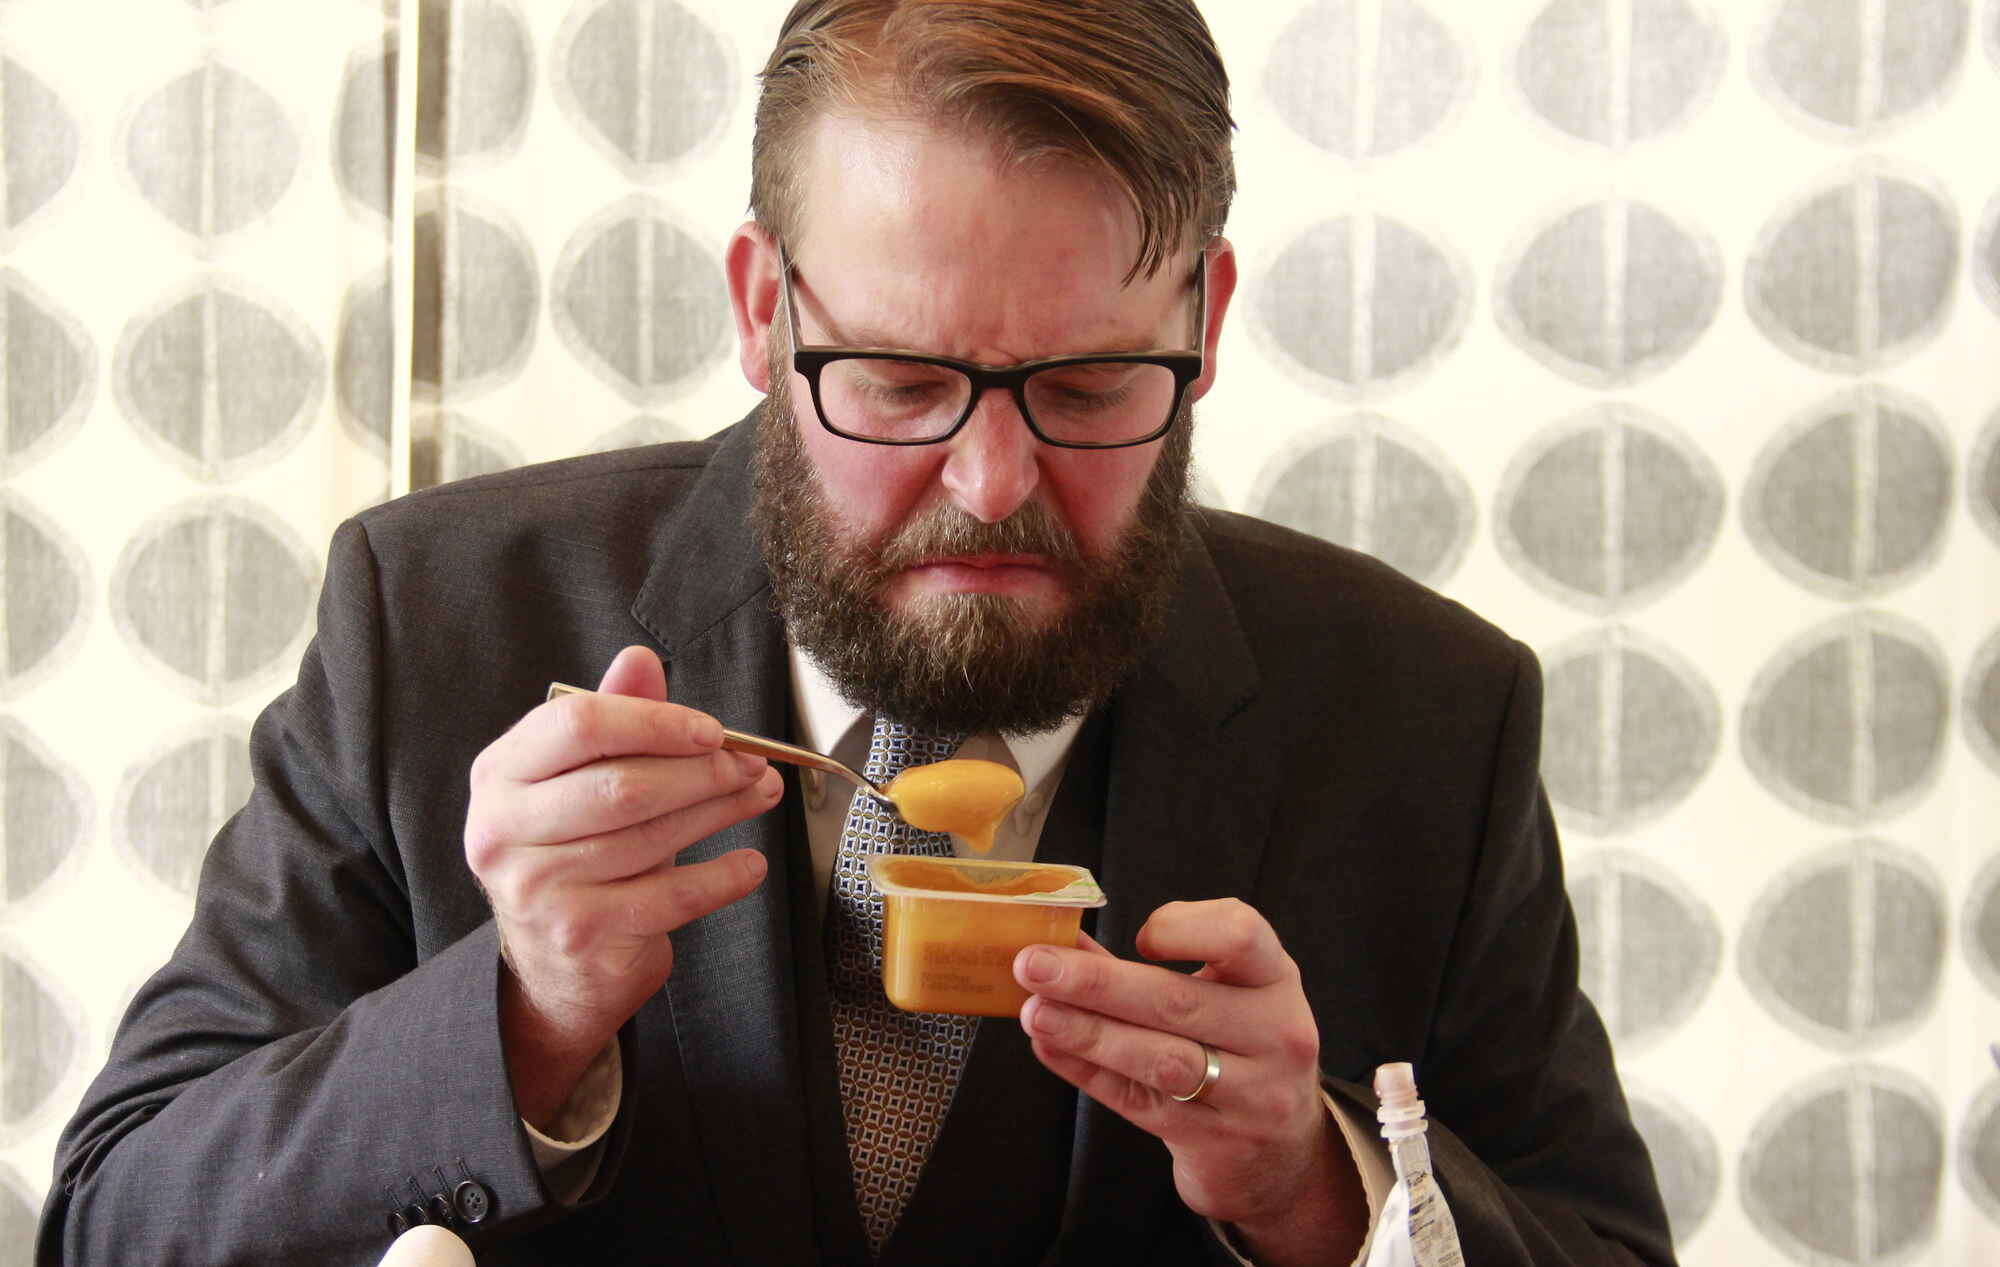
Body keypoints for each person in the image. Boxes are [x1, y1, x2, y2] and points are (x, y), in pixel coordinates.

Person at [39, 2, 1676, 1264]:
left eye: (1090, 385)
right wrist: (520, 1016)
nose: (991, 483)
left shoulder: (1423, 715)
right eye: (897, 381)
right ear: (765, 310)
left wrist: (1318, 1185)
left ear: (1208, 321)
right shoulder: (436, 622)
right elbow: (115, 1221)